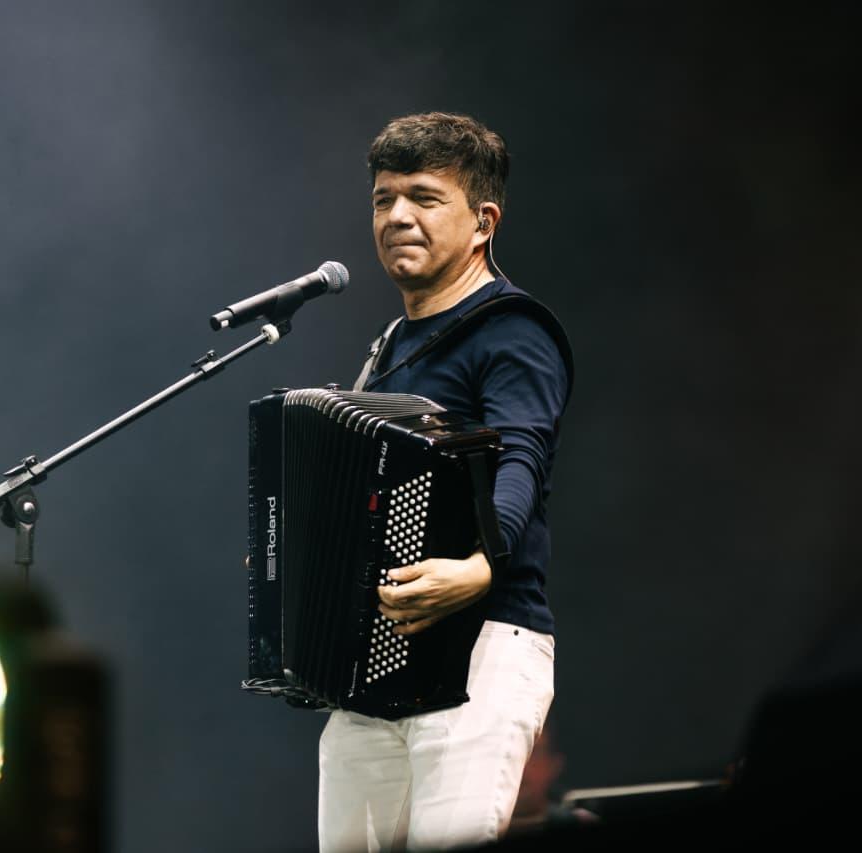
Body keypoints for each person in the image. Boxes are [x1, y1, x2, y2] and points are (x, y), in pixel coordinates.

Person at [318, 113, 572, 851]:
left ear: (483, 221)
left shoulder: (511, 330)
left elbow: (522, 455)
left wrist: (482, 565)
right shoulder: (390, 350)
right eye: (383, 198)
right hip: (377, 666)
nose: (397, 215)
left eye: (424, 197)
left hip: (482, 649)